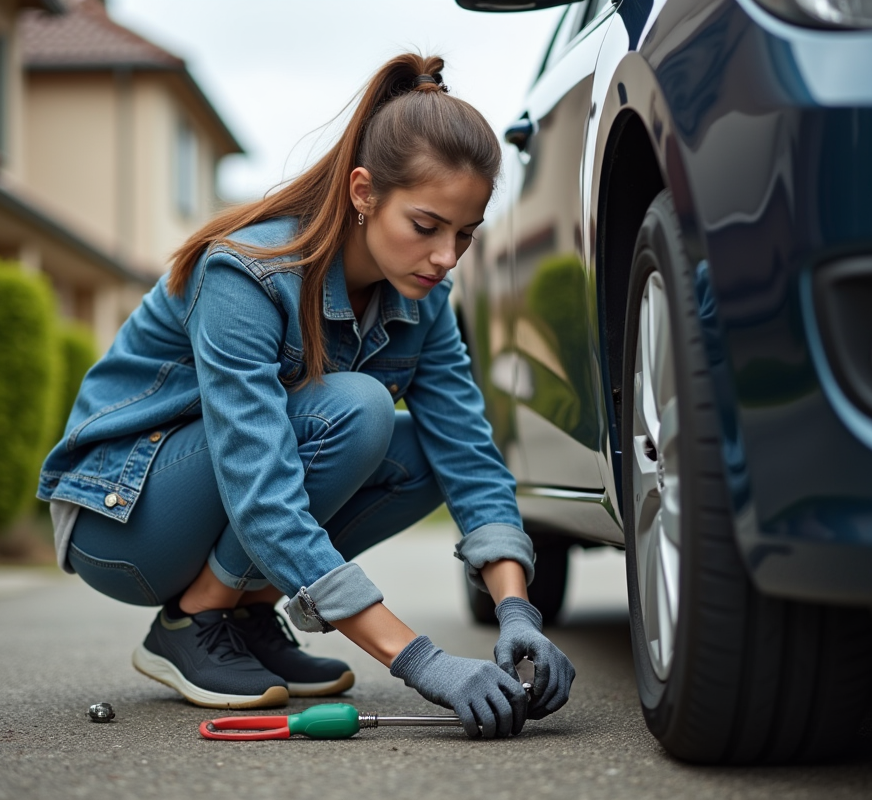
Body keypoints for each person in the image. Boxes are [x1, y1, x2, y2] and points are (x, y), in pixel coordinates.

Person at [37, 53, 575, 740]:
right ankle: (194, 619)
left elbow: (469, 453)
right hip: (121, 517)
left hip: (215, 498)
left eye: (464, 234)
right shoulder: (247, 273)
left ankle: (248, 611)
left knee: (428, 453)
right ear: (363, 192)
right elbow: (260, 486)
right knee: (358, 408)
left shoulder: (424, 296)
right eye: (426, 225)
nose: (447, 257)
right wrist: (423, 661)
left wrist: (517, 613)